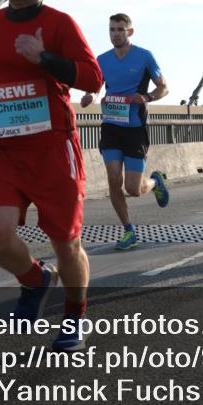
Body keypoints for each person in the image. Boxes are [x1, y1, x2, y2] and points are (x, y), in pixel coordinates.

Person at [0, 0, 103, 352]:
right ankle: (36, 279)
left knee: (67, 243)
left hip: (53, 150)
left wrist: (44, 57)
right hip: (6, 147)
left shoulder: (59, 23)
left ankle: (74, 319)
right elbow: (5, 71)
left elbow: (93, 79)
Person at [80, 13, 169, 252]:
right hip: (111, 126)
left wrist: (147, 97)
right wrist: (92, 96)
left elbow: (164, 87)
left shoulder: (144, 57)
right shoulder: (102, 59)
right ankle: (129, 230)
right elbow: (97, 87)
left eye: (120, 29)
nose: (115, 34)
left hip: (135, 128)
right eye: (112, 29)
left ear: (130, 32)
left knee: (133, 188)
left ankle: (154, 182)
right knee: (113, 180)